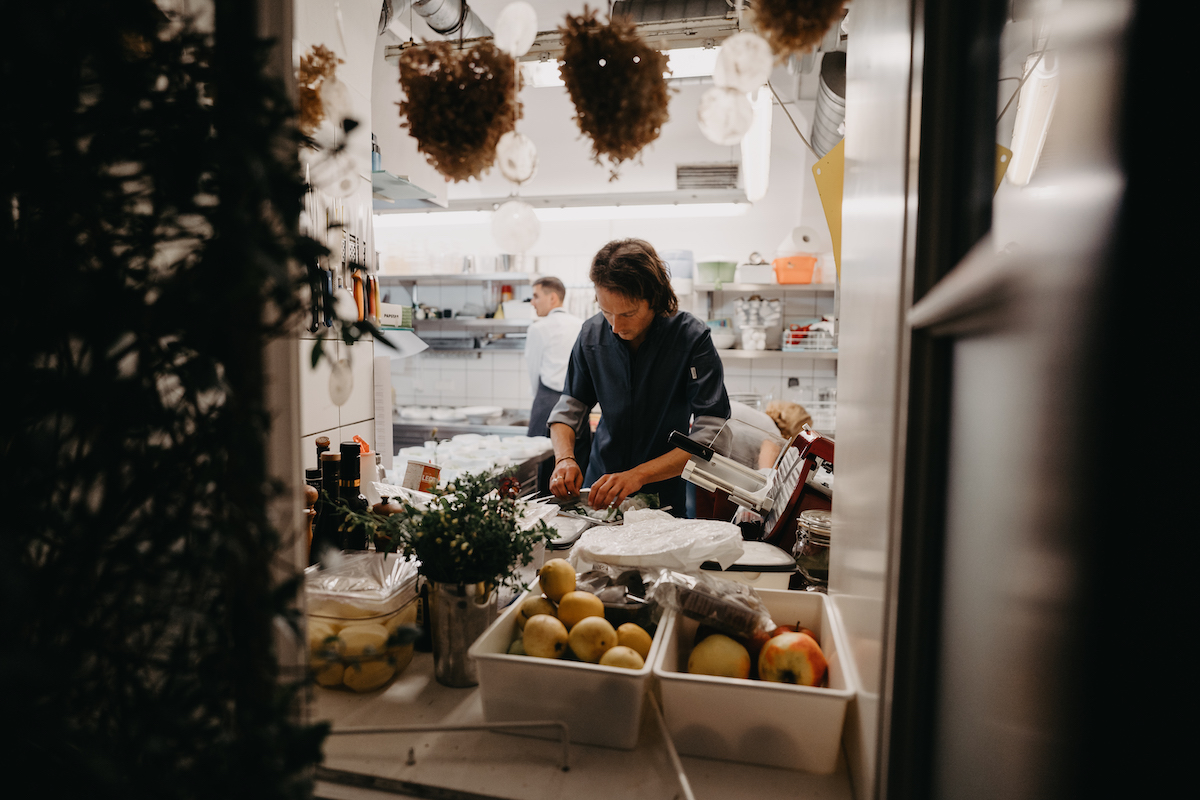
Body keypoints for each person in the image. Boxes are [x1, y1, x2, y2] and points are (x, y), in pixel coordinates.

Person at [547, 238, 730, 515]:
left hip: (663, 491)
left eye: (628, 313)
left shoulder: (691, 338)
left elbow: (712, 435)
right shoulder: (591, 336)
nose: (616, 326)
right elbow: (569, 409)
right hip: (601, 485)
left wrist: (638, 475)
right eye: (606, 311)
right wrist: (564, 459)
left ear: (654, 299)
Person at [525, 276, 588, 493]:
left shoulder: (538, 328)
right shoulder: (582, 325)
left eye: (536, 296)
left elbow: (533, 370)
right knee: (577, 466)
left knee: (541, 471)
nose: (532, 302)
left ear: (552, 298)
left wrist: (538, 402)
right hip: (579, 404)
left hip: (547, 401)